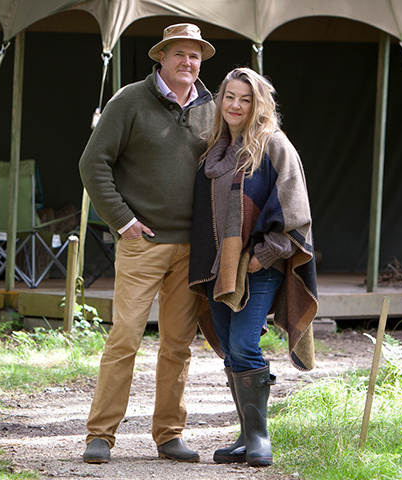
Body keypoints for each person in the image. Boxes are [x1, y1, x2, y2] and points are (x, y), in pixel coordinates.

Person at [78, 23, 216, 464]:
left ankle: (169, 434)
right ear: (161, 57)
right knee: (124, 339)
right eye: (179, 54)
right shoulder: (130, 100)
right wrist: (123, 221)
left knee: (178, 343)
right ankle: (100, 435)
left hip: (190, 247)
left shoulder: (212, 108)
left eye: (195, 56)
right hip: (143, 242)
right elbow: (92, 163)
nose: (188, 63)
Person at [188, 68, 319, 467]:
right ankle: (245, 436)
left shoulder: (275, 146)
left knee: (245, 344)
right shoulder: (213, 149)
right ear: (221, 100)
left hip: (259, 267)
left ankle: (260, 437)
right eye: (229, 97)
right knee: (231, 349)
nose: (236, 105)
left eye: (245, 98)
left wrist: (262, 256)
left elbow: (296, 212)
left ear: (258, 103)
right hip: (217, 268)